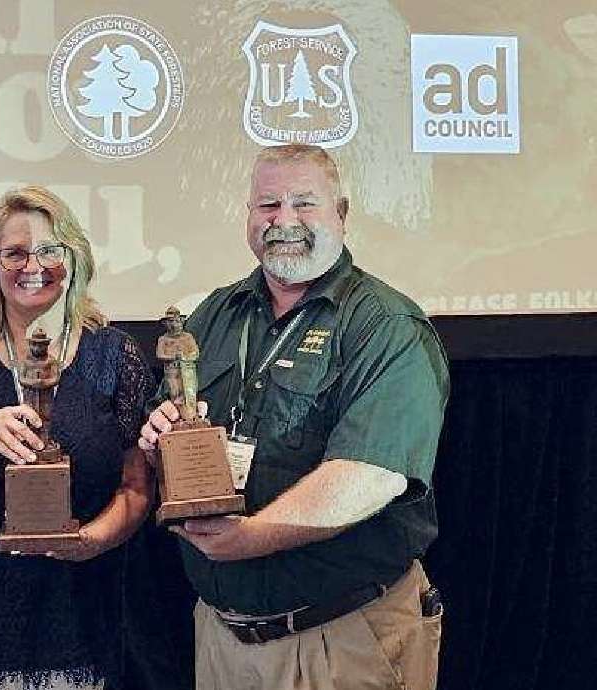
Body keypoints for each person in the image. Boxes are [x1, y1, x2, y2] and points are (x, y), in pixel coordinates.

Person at [138, 144, 450, 690]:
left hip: (344, 639)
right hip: (222, 638)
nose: (284, 221)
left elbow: (369, 476)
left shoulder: (386, 326)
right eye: (268, 205)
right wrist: (158, 436)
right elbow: (170, 422)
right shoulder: (213, 313)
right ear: (249, 218)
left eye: (304, 204)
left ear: (342, 215)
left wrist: (247, 537)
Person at [0, 186, 154, 690]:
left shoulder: (115, 355)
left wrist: (91, 541)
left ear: (74, 257)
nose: (31, 265)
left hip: (82, 615)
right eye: (14, 252)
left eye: (48, 250)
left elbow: (136, 487)